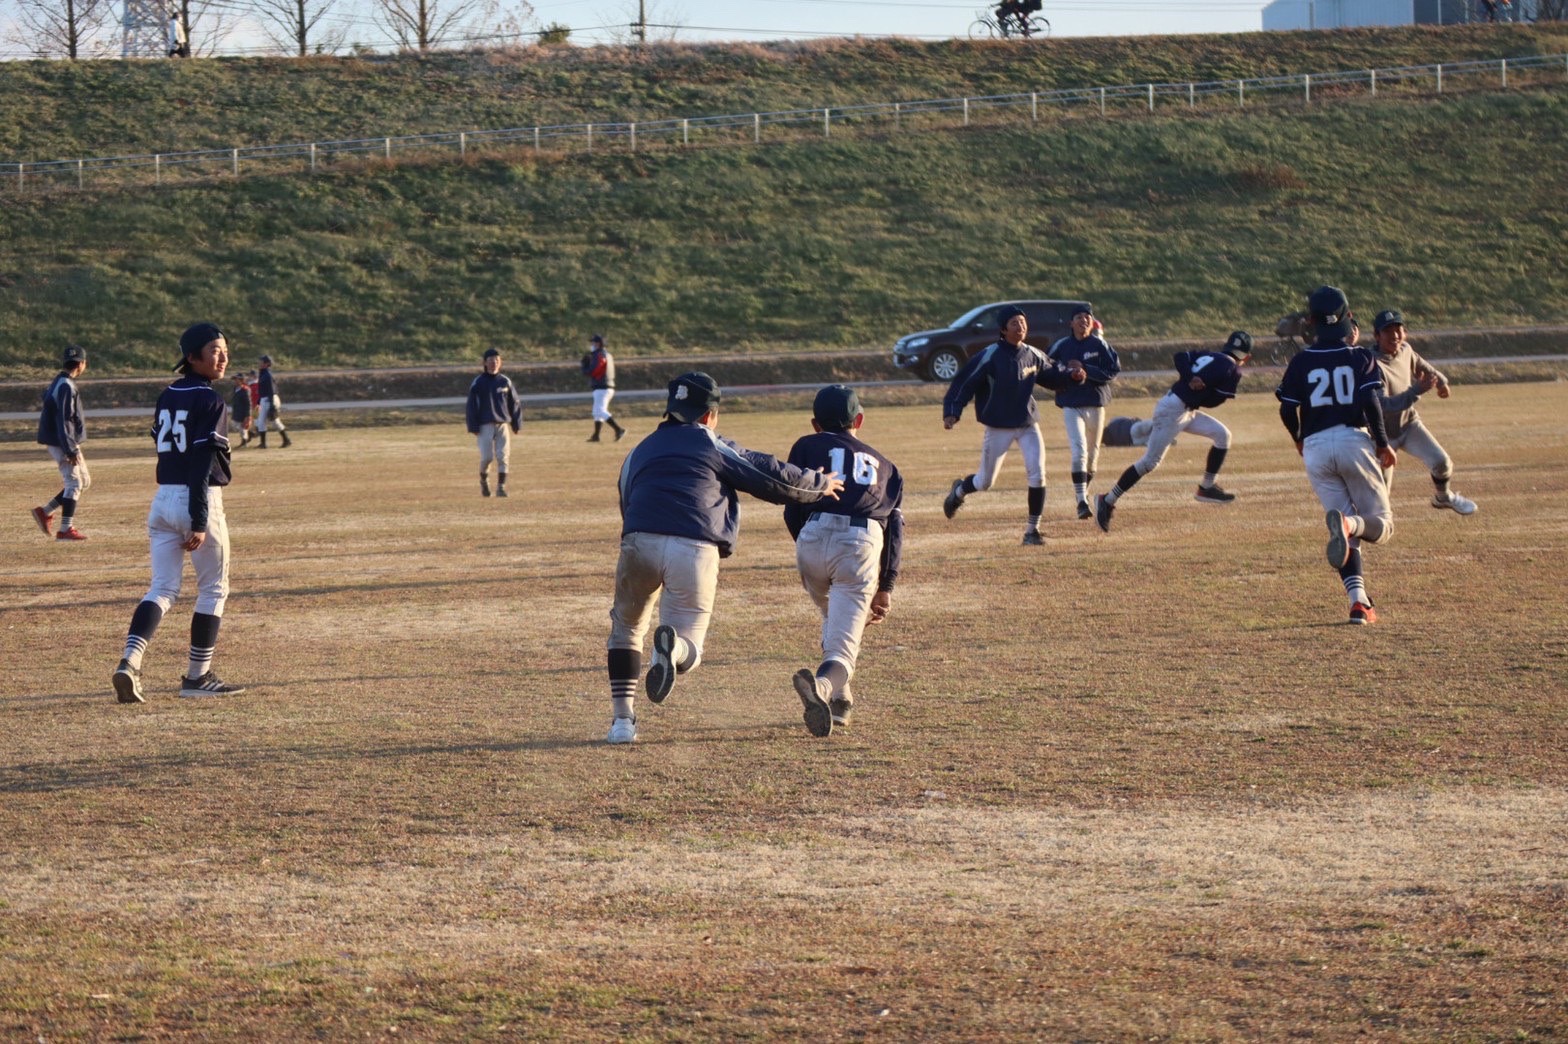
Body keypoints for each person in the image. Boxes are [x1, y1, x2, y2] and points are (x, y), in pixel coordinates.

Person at [603, 372, 844, 745]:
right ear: (709, 415)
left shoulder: (640, 450)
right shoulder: (710, 444)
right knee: (690, 645)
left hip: (639, 540)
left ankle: (622, 723)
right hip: (694, 546)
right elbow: (769, 475)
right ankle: (675, 648)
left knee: (626, 630)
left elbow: (625, 496)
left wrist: (638, 538)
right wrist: (819, 484)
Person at [111, 323, 245, 703]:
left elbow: (165, 445)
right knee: (214, 589)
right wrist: (199, 520)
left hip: (162, 499)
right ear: (191, 357)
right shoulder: (210, 400)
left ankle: (129, 661)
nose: (223, 357)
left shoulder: (167, 395)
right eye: (215, 350)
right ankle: (196, 678)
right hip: (195, 499)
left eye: (225, 350)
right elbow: (201, 465)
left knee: (162, 588)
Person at [782, 385, 904, 737]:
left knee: (834, 619)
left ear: (815, 423)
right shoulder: (886, 466)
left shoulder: (807, 444)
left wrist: (807, 544)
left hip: (812, 538)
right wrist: (887, 585)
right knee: (843, 647)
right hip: (859, 543)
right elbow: (894, 526)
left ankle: (842, 701)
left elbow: (794, 504)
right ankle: (822, 689)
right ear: (859, 420)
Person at [1276, 286, 1397, 626]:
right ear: (1347, 317)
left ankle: (1359, 602)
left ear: (1311, 320)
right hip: (1351, 440)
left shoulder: (1301, 361)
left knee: (1344, 540)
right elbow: (1371, 402)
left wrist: (1299, 439)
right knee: (1380, 526)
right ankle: (1348, 524)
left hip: (1315, 449)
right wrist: (1383, 443)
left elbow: (1287, 409)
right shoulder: (1358, 356)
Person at [1094, 331, 1253, 532]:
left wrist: (1190, 378)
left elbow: (1179, 356)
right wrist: (1197, 385)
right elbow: (1215, 401)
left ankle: (1206, 487)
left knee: (1223, 435)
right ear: (1246, 357)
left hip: (1182, 408)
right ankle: (1107, 500)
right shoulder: (1234, 369)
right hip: (1174, 411)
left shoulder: (1211, 355)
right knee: (1149, 462)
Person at [940, 305, 1062, 546]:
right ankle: (959, 492)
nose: (1021, 327)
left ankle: (1032, 531)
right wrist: (952, 411)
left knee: (1037, 474)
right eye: (1015, 323)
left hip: (1027, 423)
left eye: (1023, 322)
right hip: (998, 426)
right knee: (985, 481)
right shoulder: (990, 354)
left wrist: (1073, 375)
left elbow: (1053, 373)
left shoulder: (1032, 353)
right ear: (1003, 329)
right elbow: (964, 383)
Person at [1371, 309, 1477, 516]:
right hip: (1382, 434)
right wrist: (1416, 391)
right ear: (1376, 336)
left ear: (1405, 333)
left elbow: (1425, 367)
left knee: (1442, 462)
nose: (1395, 335)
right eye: (1388, 331)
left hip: (1409, 424)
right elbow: (1383, 405)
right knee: (1381, 492)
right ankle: (1365, 526)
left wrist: (1442, 383)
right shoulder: (1372, 364)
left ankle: (1443, 497)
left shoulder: (1406, 350)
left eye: (1398, 330)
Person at [1046, 305, 1121, 519]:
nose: (1084, 321)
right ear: (1071, 323)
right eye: (1079, 317)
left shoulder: (1099, 344)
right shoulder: (1062, 345)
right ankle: (1081, 501)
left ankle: (1083, 493)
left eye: (1087, 317)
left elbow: (1113, 370)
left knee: (1092, 456)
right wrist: (1065, 374)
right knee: (1079, 451)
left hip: (1095, 404)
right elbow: (1046, 369)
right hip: (1071, 404)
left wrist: (1086, 371)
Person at [32, 343, 92, 542]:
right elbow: (63, 419)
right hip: (63, 441)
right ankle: (66, 529)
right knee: (74, 483)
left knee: (83, 481)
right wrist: (69, 449)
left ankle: (45, 511)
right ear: (81, 364)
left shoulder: (60, 381)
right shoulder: (65, 385)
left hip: (65, 439)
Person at [464, 347, 523, 498]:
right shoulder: (478, 383)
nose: (494, 363)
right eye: (491, 361)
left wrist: (516, 423)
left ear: (500, 362)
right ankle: (483, 480)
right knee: (487, 457)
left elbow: (514, 403)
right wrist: (473, 426)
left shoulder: (505, 381)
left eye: (497, 360)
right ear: (484, 363)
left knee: (503, 456)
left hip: (502, 424)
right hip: (484, 425)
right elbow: (471, 406)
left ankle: (501, 488)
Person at [581, 333, 626, 443]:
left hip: (602, 387)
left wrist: (585, 368)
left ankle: (618, 429)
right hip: (607, 386)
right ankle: (596, 436)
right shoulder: (608, 355)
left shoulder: (599, 355)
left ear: (598, 344)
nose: (591, 344)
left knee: (600, 410)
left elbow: (595, 370)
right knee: (597, 411)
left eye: (593, 342)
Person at [254, 353, 292, 448]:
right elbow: (263, 390)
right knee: (274, 422)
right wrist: (259, 401)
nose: (259, 363)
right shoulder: (263, 374)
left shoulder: (267, 375)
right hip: (266, 399)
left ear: (267, 364)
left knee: (262, 422)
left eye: (261, 361)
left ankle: (263, 444)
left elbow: (271, 390)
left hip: (269, 398)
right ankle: (286, 440)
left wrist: (271, 405)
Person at [230, 372, 254, 448]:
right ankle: (250, 433)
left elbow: (248, 403)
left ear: (241, 380)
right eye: (234, 379)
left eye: (236, 379)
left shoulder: (245, 390)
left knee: (242, 427)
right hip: (237, 411)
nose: (235, 381)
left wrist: (248, 415)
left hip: (243, 412)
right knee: (234, 425)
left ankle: (244, 442)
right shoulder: (235, 388)